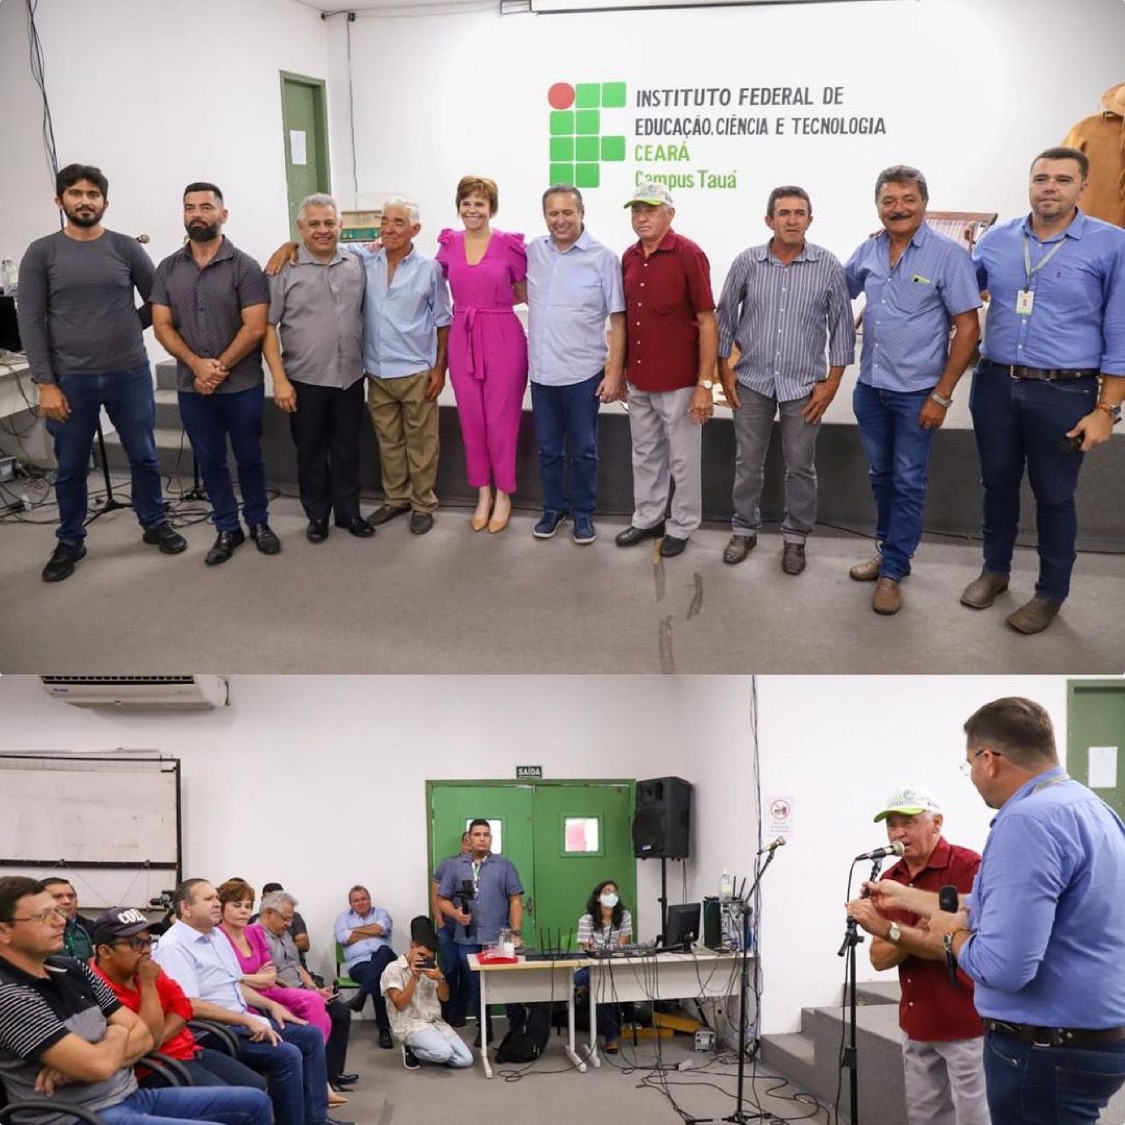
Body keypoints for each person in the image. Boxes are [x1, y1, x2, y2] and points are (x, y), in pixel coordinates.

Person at [869, 697, 1125, 1125]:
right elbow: (1003, 907)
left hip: (1045, 1050)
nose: (971, 775)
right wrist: (906, 897)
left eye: (968, 763)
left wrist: (949, 935)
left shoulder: (1026, 821)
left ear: (988, 760)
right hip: (1096, 1037)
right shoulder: (1093, 809)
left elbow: (1004, 967)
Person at [959, 147, 1125, 634]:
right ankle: (995, 571)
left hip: (1065, 391)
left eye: (1062, 179)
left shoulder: (1111, 244)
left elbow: (1121, 332)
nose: (1049, 187)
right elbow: (962, 294)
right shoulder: (997, 241)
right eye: (1041, 178)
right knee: (997, 486)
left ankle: (1050, 593)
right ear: (1029, 184)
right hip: (994, 383)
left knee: (1054, 497)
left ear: (1082, 187)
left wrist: (1107, 409)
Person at [17, 163, 186, 582]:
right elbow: (32, 321)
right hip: (69, 380)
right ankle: (71, 538)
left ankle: (153, 520)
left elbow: (158, 298)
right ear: (60, 200)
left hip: (128, 372)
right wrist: (45, 382)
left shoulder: (125, 248)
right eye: (76, 193)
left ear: (105, 203)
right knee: (72, 464)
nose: (85, 201)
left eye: (93, 195)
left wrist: (130, 325)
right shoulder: (42, 253)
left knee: (144, 455)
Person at [0, 876, 273, 1125]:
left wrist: (99, 1049)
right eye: (44, 916)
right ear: (4, 932)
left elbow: (145, 1035)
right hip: (78, 1116)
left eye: (58, 913)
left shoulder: (73, 969)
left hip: (127, 1094)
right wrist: (117, 1032)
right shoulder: (10, 995)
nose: (61, 921)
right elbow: (101, 1064)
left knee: (256, 1102)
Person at [845, 165, 981, 615]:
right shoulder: (868, 248)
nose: (898, 208)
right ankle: (888, 553)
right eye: (889, 201)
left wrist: (942, 395)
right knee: (880, 478)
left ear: (924, 203)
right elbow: (836, 289)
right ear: (878, 206)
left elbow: (967, 328)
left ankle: (893, 572)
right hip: (871, 388)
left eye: (908, 199)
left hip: (917, 393)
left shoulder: (948, 256)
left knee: (907, 481)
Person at [716, 185, 855, 574]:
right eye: (784, 213)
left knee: (800, 467)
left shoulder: (828, 266)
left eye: (800, 213)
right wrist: (725, 373)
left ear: (810, 219)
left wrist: (832, 383)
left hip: (803, 387)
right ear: (769, 220)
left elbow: (842, 328)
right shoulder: (747, 262)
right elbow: (724, 318)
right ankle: (744, 529)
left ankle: (795, 539)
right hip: (753, 381)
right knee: (748, 464)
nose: (792, 220)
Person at [152, 182, 279, 566]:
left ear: (223, 215)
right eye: (190, 207)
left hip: (241, 386)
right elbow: (161, 325)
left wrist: (217, 367)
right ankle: (227, 526)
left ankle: (258, 522)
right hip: (194, 388)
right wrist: (195, 365)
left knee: (249, 456)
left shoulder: (245, 267)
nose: (197, 214)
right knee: (209, 459)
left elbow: (255, 327)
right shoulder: (168, 268)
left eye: (206, 207)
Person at [844, 786, 988, 1125]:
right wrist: (919, 931)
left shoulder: (969, 866)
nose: (897, 833)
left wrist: (890, 930)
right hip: (917, 1021)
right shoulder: (889, 878)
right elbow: (878, 957)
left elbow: (953, 948)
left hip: (966, 1021)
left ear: (936, 823)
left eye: (907, 823)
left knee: (976, 1118)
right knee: (926, 1118)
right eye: (891, 825)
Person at [152, 879, 348, 1125]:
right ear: (186, 907)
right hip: (212, 1029)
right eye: (209, 899)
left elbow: (236, 986)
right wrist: (246, 1019)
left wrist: (272, 1006)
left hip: (241, 1018)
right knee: (287, 1055)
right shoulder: (173, 946)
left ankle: (316, 1119)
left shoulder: (215, 937)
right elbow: (190, 1006)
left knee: (310, 1035)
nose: (217, 903)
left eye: (216, 898)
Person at [614, 182, 717, 559]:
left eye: (651, 210)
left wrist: (705, 385)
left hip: (680, 381)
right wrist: (621, 372)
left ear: (669, 214)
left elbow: (707, 321)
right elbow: (626, 321)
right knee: (644, 453)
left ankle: (683, 524)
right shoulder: (628, 257)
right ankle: (648, 517)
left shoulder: (689, 254)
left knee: (683, 458)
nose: (642, 217)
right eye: (636, 210)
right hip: (640, 378)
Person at [263, 193, 373, 543]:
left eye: (329, 223)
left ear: (340, 225)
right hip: (305, 379)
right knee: (310, 450)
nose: (322, 230)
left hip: (350, 377)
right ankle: (317, 516)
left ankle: (349, 512)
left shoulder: (357, 263)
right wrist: (279, 380)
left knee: (347, 449)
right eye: (314, 224)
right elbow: (267, 326)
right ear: (301, 228)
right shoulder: (284, 269)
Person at [526, 184, 626, 545]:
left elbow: (618, 320)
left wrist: (614, 372)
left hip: (584, 372)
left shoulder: (603, 258)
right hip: (542, 372)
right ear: (545, 216)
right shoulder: (533, 251)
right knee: (548, 449)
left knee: (584, 450)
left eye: (568, 212)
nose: (560, 220)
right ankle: (553, 508)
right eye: (553, 213)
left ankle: (583, 512)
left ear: (582, 213)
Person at [435, 175, 528, 534]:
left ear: (492, 208)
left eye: (480, 203)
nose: (473, 210)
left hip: (502, 334)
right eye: (467, 203)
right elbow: (434, 281)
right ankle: (483, 493)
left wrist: (493, 304)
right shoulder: (449, 244)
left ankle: (505, 493)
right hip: (463, 335)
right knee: (471, 417)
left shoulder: (509, 245)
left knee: (501, 419)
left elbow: (522, 291)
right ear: (459, 207)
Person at [90, 906, 267, 1090]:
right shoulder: (97, 988)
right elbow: (144, 1036)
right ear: (105, 951)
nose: (146, 950)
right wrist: (148, 985)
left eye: (148, 941)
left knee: (256, 1084)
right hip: (155, 1068)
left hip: (188, 1050)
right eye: (136, 943)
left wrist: (155, 1040)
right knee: (241, 1100)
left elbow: (183, 1006)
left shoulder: (145, 968)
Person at [360, 196, 452, 536]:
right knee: (389, 441)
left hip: (416, 370)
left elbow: (444, 321)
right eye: (384, 221)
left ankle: (423, 504)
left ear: (415, 229)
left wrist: (440, 369)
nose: (388, 228)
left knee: (422, 443)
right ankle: (396, 498)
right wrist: (286, 247)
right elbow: (323, 245)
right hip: (377, 369)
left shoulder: (429, 269)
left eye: (398, 222)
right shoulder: (366, 260)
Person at [257, 890, 356, 1095]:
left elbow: (297, 966)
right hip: (282, 995)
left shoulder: (284, 934)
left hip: (302, 990)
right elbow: (271, 978)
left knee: (341, 1012)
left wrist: (314, 988)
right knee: (332, 1015)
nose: (289, 924)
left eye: (291, 918)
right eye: (285, 918)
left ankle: (332, 1073)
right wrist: (303, 994)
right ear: (268, 913)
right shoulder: (257, 936)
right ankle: (322, 1080)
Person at [436, 818, 524, 1045]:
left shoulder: (504, 865)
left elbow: (515, 900)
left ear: (491, 839)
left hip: (500, 935)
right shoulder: (455, 866)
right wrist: (456, 915)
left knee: (507, 983)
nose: (482, 838)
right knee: (475, 986)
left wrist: (515, 931)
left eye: (486, 834)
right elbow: (442, 899)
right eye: (477, 834)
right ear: (469, 838)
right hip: (467, 937)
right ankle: (484, 1028)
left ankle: (517, 1027)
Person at [380, 916, 473, 1071]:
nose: (424, 960)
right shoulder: (393, 969)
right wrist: (414, 977)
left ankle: (432, 1048)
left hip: (435, 1022)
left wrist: (441, 978)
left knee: (466, 1060)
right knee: (444, 1052)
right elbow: (400, 1004)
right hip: (411, 1025)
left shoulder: (432, 966)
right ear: (412, 946)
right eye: (421, 954)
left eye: (428, 958)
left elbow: (445, 997)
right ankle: (411, 1048)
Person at [333, 885, 396, 1050]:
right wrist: (372, 930)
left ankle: (362, 995)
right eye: (356, 900)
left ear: (370, 900)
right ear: (351, 903)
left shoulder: (381, 913)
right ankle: (384, 1030)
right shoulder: (342, 918)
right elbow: (342, 937)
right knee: (377, 978)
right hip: (359, 965)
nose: (360, 903)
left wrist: (354, 933)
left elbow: (381, 927)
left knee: (383, 950)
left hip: (385, 960)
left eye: (363, 899)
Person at [576, 880, 633, 1054]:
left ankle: (612, 1034)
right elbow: (586, 947)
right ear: (599, 897)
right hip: (588, 969)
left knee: (604, 981)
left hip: (613, 968)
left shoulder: (624, 916)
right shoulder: (587, 919)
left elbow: (623, 943)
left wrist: (602, 948)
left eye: (614, 892)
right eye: (607, 891)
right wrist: (605, 949)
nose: (611, 895)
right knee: (601, 981)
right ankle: (611, 1037)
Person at [430, 831, 471, 1026]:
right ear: (462, 843)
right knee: (451, 968)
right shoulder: (448, 865)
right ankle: (448, 1010)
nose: (469, 846)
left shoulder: (483, 867)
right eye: (466, 841)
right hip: (449, 926)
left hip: (471, 928)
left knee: (468, 969)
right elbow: (436, 896)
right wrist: (441, 922)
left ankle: (461, 1012)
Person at [41, 877, 94, 960]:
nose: (67, 901)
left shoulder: (81, 931)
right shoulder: (33, 933)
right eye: (57, 896)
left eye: (71, 896)